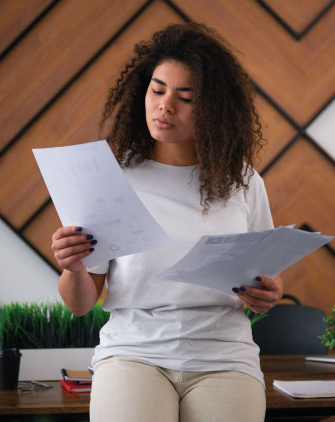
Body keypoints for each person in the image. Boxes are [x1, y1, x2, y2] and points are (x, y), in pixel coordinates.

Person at [51, 22, 283, 422]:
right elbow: (80, 303)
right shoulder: (113, 179)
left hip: (224, 355)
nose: (165, 106)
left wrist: (269, 293)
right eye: (157, 90)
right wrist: (72, 268)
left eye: (185, 97)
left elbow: (265, 279)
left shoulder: (243, 182)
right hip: (133, 354)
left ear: (214, 109)